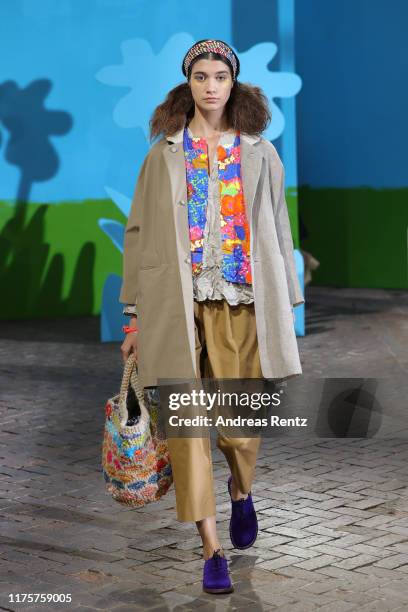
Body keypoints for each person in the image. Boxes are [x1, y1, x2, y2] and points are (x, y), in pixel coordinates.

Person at [119, 39, 304, 594]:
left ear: (234, 83)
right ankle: (211, 548)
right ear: (188, 84)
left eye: (219, 75)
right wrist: (134, 318)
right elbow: (138, 234)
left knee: (241, 428)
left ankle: (242, 492)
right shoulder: (162, 154)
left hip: (243, 303)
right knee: (189, 429)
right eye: (200, 76)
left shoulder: (260, 153)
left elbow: (278, 226)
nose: (210, 86)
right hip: (177, 307)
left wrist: (286, 303)